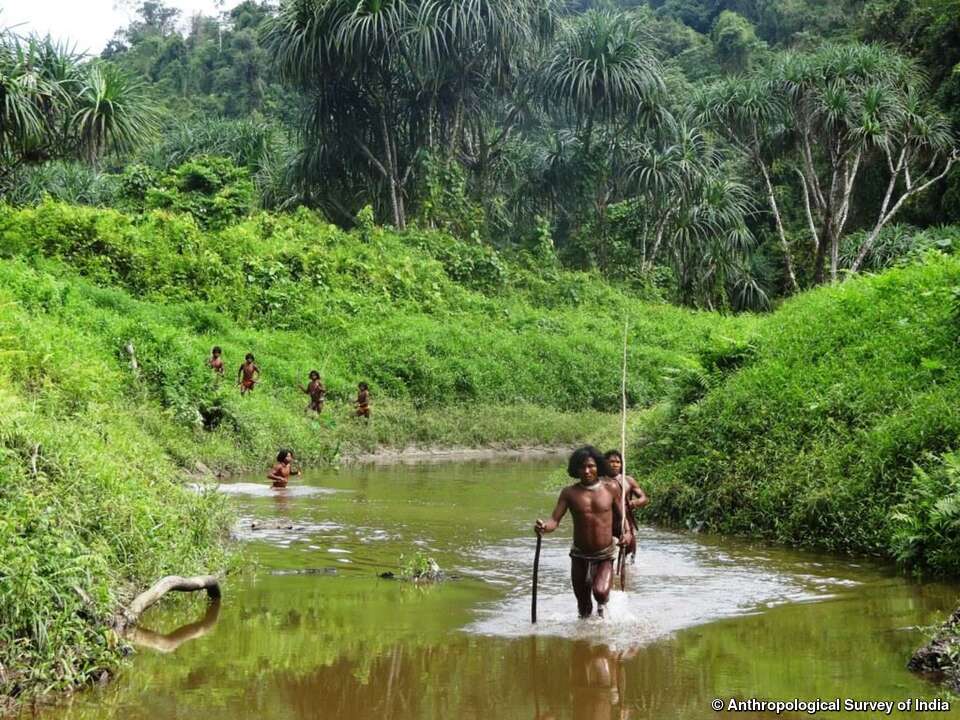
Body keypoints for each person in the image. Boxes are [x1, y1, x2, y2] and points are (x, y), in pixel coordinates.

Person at [535, 446, 632, 619]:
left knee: (600, 592)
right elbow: (554, 521)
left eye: (591, 466)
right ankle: (585, 636)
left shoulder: (611, 488)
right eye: (582, 467)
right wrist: (544, 527)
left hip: (604, 553)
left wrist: (627, 533)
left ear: (598, 467)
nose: (587, 471)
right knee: (583, 605)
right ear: (576, 469)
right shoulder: (569, 493)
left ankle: (604, 614)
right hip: (579, 554)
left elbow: (622, 516)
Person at [603, 449, 649, 561]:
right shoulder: (599, 481)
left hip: (624, 521)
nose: (615, 464)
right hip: (605, 522)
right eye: (611, 461)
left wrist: (632, 503)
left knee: (628, 553)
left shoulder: (628, 480)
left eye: (618, 462)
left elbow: (644, 498)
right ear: (605, 463)